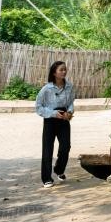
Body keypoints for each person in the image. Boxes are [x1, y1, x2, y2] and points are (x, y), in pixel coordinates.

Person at [35, 60, 76, 188]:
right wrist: (52, 113)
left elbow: (71, 102)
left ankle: (59, 170)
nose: (64, 72)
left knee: (65, 147)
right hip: (50, 120)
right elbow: (38, 107)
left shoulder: (69, 86)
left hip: (64, 119)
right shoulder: (46, 89)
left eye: (65, 69)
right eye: (61, 70)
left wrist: (69, 112)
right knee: (48, 149)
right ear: (54, 73)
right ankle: (47, 178)